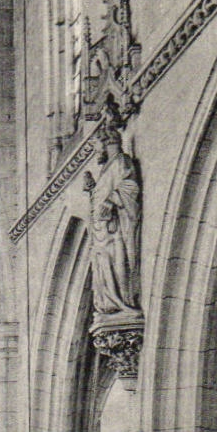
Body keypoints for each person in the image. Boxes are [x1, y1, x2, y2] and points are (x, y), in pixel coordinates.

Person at [84, 124, 142, 315]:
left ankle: (122, 301)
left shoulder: (121, 162)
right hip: (102, 234)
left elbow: (130, 187)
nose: (96, 152)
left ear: (106, 143)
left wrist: (110, 201)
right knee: (103, 268)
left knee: (117, 264)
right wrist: (92, 190)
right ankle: (109, 303)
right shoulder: (106, 170)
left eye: (96, 146)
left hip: (114, 231)